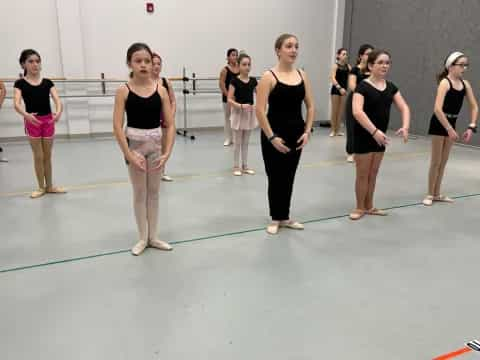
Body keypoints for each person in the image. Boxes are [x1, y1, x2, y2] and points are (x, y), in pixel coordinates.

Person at [113, 43, 176, 256]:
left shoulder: (161, 91)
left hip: (156, 147)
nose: (143, 65)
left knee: (154, 193)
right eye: (138, 61)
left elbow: (170, 123)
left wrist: (167, 152)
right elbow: (117, 126)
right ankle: (142, 237)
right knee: (140, 192)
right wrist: (128, 154)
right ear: (129, 63)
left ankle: (154, 236)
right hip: (135, 147)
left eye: (147, 61)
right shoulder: (123, 91)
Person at [256, 34, 315, 235]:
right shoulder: (268, 77)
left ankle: (285, 216)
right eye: (289, 46)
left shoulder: (302, 75)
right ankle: (275, 217)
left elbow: (311, 105)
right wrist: (271, 137)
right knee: (275, 176)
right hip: (274, 135)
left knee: (289, 175)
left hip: (297, 134)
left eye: (296, 46)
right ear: (278, 50)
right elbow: (260, 110)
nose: (293, 50)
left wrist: (307, 131)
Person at [350, 50, 410, 220]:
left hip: (380, 138)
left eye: (387, 63)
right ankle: (359, 207)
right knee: (362, 173)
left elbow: (404, 107)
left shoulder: (391, 87)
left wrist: (405, 126)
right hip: (364, 135)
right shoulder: (362, 86)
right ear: (370, 65)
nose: (385, 66)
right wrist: (374, 131)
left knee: (373, 173)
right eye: (381, 62)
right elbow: (357, 112)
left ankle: (369, 205)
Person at [423, 51, 478, 206]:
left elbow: (474, 106)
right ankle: (429, 193)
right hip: (440, 123)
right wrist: (448, 129)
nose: (464, 68)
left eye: (466, 65)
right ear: (451, 66)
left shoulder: (465, 84)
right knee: (436, 161)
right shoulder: (445, 83)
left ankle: (437, 193)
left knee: (444, 161)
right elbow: (437, 109)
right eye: (461, 65)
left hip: (451, 123)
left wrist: (471, 126)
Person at [13, 49, 65, 198]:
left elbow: (57, 100)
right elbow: (16, 104)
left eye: (37, 61)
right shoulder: (20, 83)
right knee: (38, 156)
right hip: (32, 122)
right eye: (31, 61)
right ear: (23, 64)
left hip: (48, 120)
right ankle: (40, 187)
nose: (35, 64)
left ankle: (49, 186)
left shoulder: (48, 82)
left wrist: (58, 111)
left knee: (47, 155)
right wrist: (26, 115)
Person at [227, 53, 258, 175]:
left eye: (249, 64)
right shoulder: (234, 81)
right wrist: (240, 106)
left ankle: (245, 166)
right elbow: (229, 99)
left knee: (246, 142)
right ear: (239, 66)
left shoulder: (254, 81)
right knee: (237, 142)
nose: (247, 67)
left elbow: (260, 94)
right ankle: (236, 166)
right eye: (244, 64)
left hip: (249, 113)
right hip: (238, 113)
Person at [345, 44, 373, 162]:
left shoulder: (372, 71)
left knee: (366, 126)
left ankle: (363, 150)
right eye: (367, 54)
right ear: (361, 56)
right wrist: (362, 94)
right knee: (352, 126)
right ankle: (351, 152)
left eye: (372, 54)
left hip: (369, 102)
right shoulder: (355, 70)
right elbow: (352, 85)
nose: (370, 56)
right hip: (354, 101)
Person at [152, 52, 176, 182]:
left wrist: (170, 116)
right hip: (151, 120)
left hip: (165, 119)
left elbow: (173, 100)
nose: (156, 66)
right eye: (154, 63)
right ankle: (151, 173)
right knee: (152, 147)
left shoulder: (166, 82)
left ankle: (162, 172)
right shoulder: (146, 82)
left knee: (163, 147)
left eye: (158, 64)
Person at [219, 48, 239, 146]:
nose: (235, 57)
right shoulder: (225, 70)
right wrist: (228, 96)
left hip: (238, 98)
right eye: (233, 55)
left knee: (236, 118)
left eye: (236, 55)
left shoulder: (240, 68)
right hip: (227, 98)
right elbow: (221, 84)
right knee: (228, 118)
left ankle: (236, 138)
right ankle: (228, 139)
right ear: (228, 57)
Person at [329, 48, 350, 137]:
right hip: (336, 90)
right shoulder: (335, 66)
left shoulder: (348, 66)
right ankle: (333, 130)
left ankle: (338, 130)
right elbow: (332, 78)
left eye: (346, 54)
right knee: (335, 110)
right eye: (343, 54)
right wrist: (339, 87)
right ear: (338, 55)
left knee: (341, 111)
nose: (345, 56)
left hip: (344, 91)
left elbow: (351, 77)